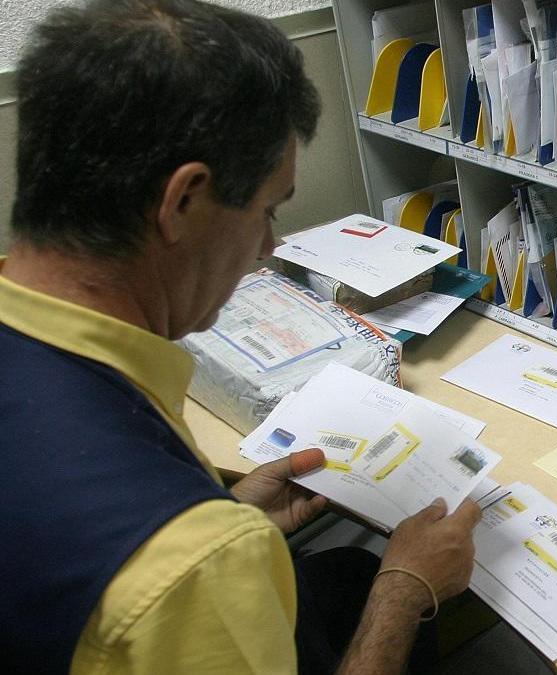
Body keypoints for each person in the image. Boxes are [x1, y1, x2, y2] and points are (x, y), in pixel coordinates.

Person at [0, 1, 482, 672]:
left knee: (341, 575)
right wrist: (404, 592)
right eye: (267, 210)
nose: (268, 245)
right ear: (184, 202)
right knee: (375, 588)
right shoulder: (194, 568)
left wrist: (225, 510)